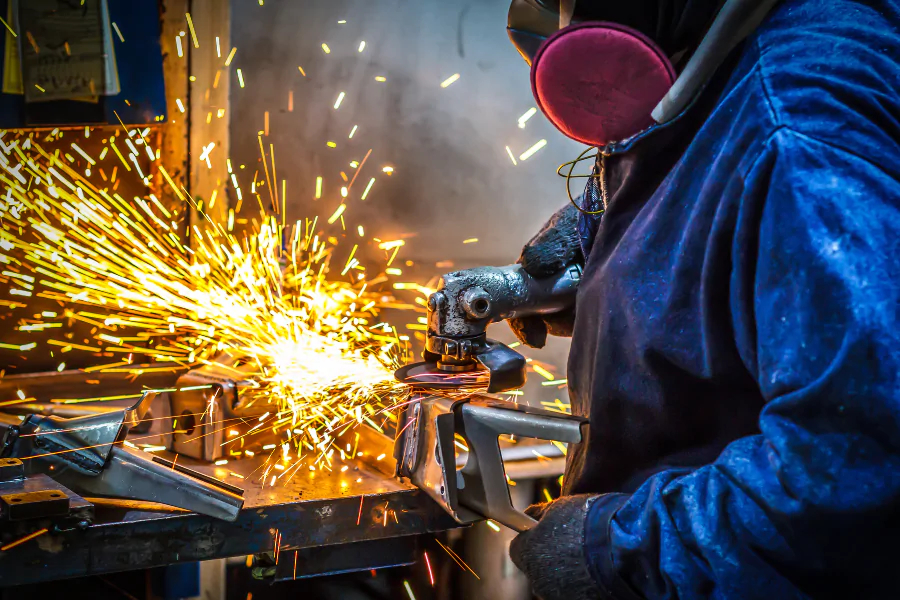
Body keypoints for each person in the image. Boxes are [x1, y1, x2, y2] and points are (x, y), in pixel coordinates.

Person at [504, 0, 900, 598]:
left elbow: (861, 463)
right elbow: (720, 181)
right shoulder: (723, 41)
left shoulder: (797, 125)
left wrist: (623, 553)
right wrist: (608, 240)